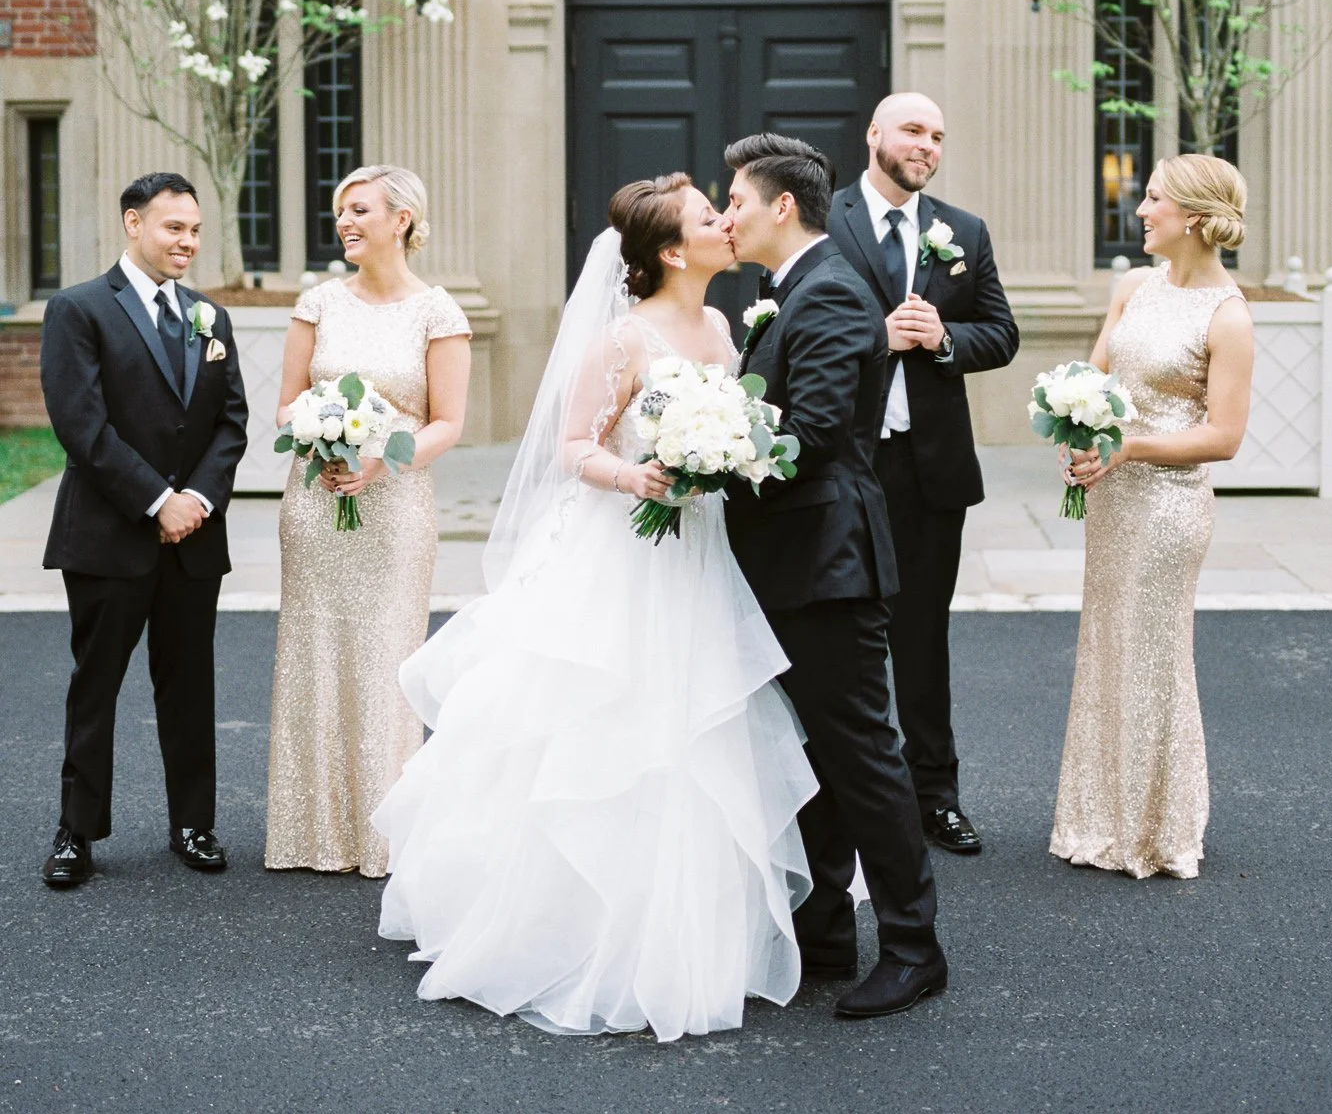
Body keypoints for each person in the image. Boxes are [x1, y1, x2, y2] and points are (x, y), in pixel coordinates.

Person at [374, 176, 816, 1043]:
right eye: (705, 219)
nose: (726, 225)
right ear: (670, 253)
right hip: (624, 554)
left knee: (693, 730)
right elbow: (575, 445)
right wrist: (640, 475)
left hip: (700, 556)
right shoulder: (622, 338)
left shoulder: (726, 327)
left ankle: (688, 931)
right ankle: (563, 926)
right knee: (607, 727)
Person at [723, 132, 948, 1022]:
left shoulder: (832, 295)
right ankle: (822, 929)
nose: (726, 214)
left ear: (783, 206)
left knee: (862, 755)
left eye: (735, 199)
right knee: (812, 752)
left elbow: (811, 435)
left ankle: (913, 946)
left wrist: (707, 456)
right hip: (791, 560)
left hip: (829, 562)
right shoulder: (788, 292)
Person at [38, 171, 249, 888]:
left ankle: (192, 823)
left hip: (195, 538)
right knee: (95, 687)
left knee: (189, 684)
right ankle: (76, 833)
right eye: (173, 228)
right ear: (134, 224)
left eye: (194, 230)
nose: (187, 241)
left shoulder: (210, 319)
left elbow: (231, 421)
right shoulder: (79, 310)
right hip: (109, 534)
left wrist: (197, 498)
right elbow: (81, 425)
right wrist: (158, 500)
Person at [1051, 154, 1254, 880]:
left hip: (1169, 505)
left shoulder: (1227, 317)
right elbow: (1091, 379)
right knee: (1107, 642)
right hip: (1111, 496)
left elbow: (1224, 436)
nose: (1140, 209)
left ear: (1194, 218)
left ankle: (1155, 828)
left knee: (1153, 655)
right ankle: (1097, 817)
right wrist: (1075, 429)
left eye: (1155, 198)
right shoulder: (1133, 286)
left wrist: (1131, 448)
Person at [266, 165, 472, 877]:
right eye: (339, 213)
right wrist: (321, 431)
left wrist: (383, 457)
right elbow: (287, 403)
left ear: (402, 219)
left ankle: (384, 830)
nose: (345, 223)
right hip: (317, 502)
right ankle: (308, 829)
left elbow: (450, 422)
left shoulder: (438, 313)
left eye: (359, 211)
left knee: (386, 656)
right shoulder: (317, 303)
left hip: (396, 506)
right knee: (314, 650)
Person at [828, 93, 1018, 855]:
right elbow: (780, 327)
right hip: (843, 464)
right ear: (873, 134)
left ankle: (935, 796)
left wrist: (943, 338)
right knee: (842, 636)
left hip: (928, 472)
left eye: (938, 135)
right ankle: (842, 798)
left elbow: (1001, 333)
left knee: (922, 637)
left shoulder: (962, 232)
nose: (927, 145)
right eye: (913, 130)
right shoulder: (822, 221)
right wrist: (875, 338)